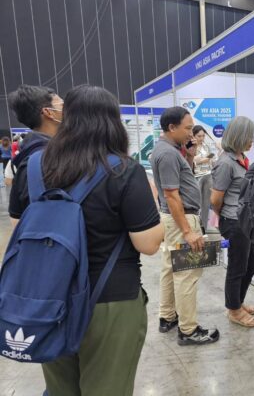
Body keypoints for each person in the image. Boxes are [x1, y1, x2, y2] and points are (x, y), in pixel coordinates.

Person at [19, 85, 163, 395]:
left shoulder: (36, 166)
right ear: (113, 122)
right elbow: (149, 244)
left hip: (50, 298)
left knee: (61, 390)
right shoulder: (124, 171)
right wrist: (153, 206)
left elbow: (21, 225)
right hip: (110, 299)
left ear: (67, 119)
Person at [150, 106, 219, 345]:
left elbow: (181, 181)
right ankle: (188, 330)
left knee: (170, 268)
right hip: (182, 219)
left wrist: (189, 155)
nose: (191, 134)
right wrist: (188, 231)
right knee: (186, 274)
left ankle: (167, 316)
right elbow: (171, 195)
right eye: (188, 128)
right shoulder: (168, 154)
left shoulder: (169, 150)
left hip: (175, 219)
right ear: (172, 127)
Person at [210, 116, 254, 328]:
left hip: (247, 220)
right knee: (237, 267)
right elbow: (215, 200)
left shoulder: (241, 158)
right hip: (234, 221)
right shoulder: (225, 163)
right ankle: (233, 309)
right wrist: (226, 217)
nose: (252, 141)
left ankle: (237, 302)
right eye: (249, 137)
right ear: (238, 136)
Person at [7, 85, 63, 225]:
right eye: (63, 105)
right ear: (48, 112)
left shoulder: (22, 158)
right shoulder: (57, 156)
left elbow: (16, 217)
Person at [193, 125, 215, 229]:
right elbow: (192, 161)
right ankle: (195, 228)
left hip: (208, 175)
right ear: (193, 135)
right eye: (199, 136)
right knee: (196, 203)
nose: (201, 138)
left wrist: (206, 159)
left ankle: (204, 228)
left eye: (203, 136)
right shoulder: (189, 145)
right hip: (195, 177)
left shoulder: (206, 146)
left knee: (206, 204)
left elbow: (211, 158)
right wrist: (203, 160)